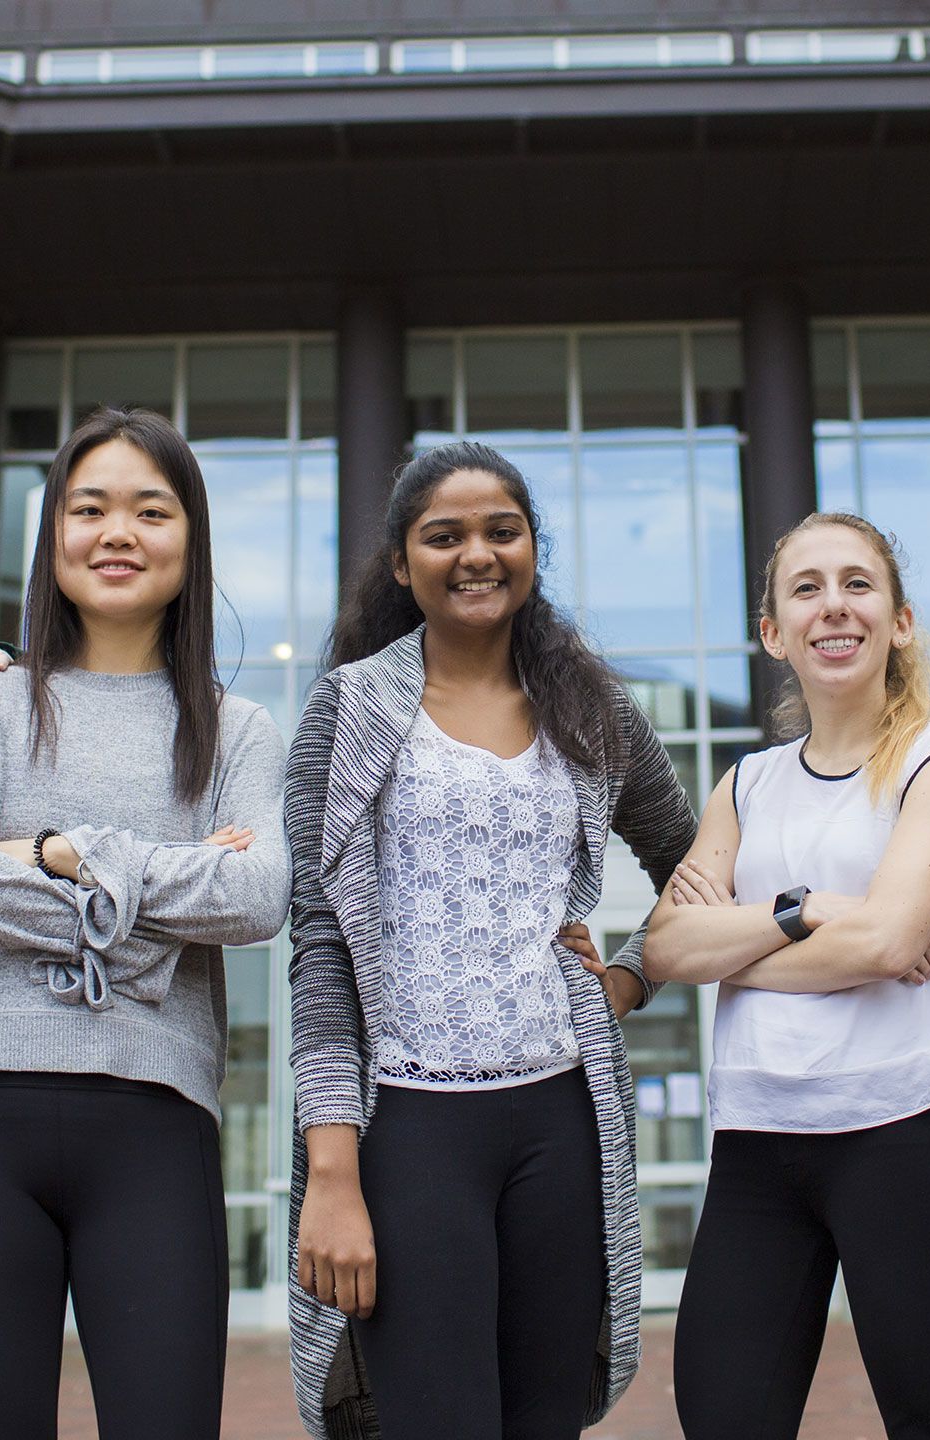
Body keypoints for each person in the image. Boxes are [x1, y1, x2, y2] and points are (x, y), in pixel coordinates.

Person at [282, 440, 696, 1440]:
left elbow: (691, 858)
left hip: (560, 1117)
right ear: (400, 564)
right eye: (444, 535)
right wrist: (331, 1170)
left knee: (546, 1419)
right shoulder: (348, 707)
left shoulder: (591, 705)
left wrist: (632, 975)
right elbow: (318, 943)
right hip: (409, 1125)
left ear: (531, 550)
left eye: (501, 531)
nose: (476, 553)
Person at [0, 406, 288, 1440]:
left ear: (189, 538)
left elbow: (254, 901)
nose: (117, 532)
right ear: (54, 535)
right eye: (90, 508)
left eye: (150, 510)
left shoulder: (239, 728)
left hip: (157, 1118)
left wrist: (59, 852)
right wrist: (167, 888)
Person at [643, 510, 930, 1440]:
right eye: (806, 588)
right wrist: (797, 910)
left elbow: (888, 945)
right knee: (723, 1417)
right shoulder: (749, 784)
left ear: (901, 620)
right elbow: (663, 951)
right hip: (758, 1145)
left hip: (898, 1136)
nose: (833, 607)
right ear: (773, 632)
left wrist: (738, 956)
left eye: (858, 584)